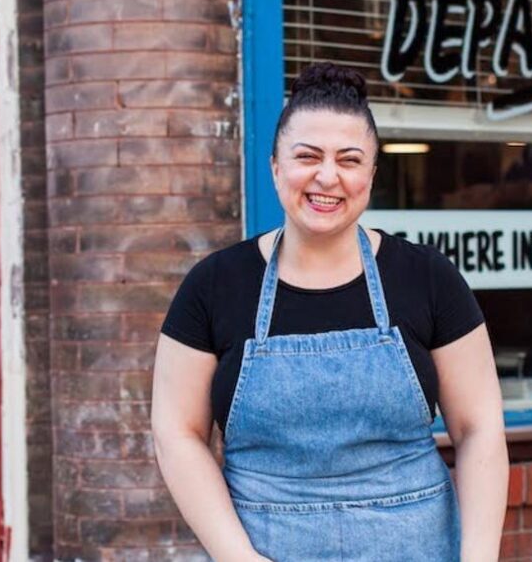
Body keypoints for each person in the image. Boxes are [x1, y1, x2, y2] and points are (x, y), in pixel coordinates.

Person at [151, 62, 508, 561]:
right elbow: (178, 434)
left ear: (371, 175)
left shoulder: (429, 279)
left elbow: (479, 430)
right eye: (307, 156)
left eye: (349, 159)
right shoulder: (214, 286)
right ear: (275, 166)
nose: (327, 176)